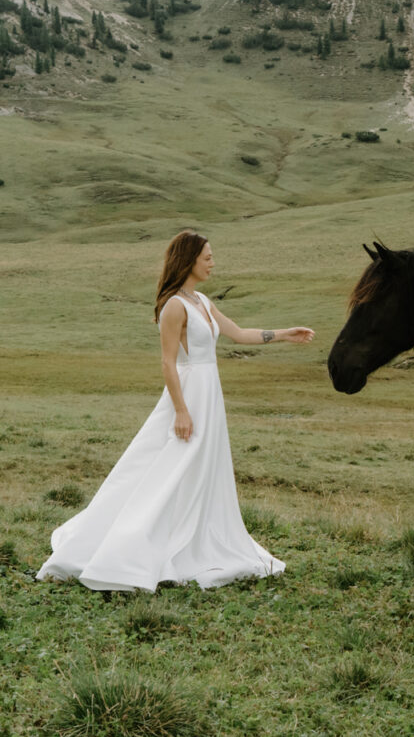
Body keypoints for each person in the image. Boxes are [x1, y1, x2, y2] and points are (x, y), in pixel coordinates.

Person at [37, 230, 314, 591]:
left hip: (209, 392)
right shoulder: (174, 306)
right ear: (189, 260)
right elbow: (168, 363)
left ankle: (193, 534)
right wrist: (181, 410)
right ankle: (129, 538)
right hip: (188, 393)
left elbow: (238, 333)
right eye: (208, 257)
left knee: (198, 467)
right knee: (168, 464)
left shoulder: (201, 300)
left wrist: (283, 334)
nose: (213, 263)